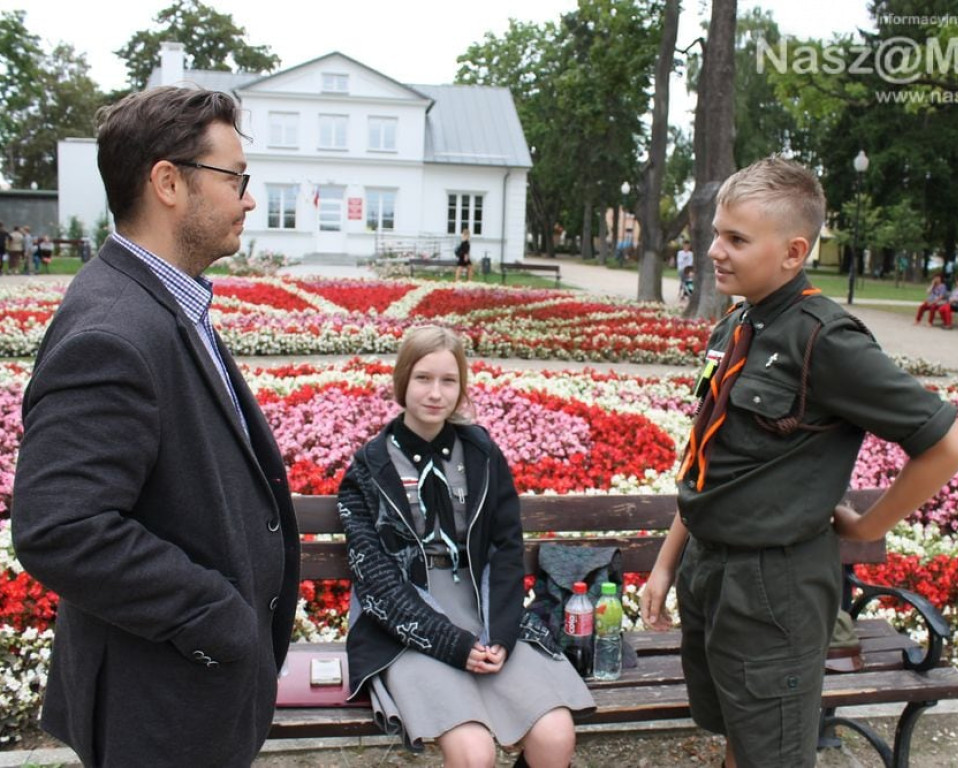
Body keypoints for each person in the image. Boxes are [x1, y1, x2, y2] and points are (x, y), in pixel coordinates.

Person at [639, 156, 958, 768]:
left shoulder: (827, 339)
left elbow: (949, 444)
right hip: (710, 572)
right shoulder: (736, 325)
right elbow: (708, 461)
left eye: (737, 239)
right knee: (741, 733)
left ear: (794, 252)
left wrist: (868, 526)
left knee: (775, 753)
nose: (714, 250)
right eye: (716, 233)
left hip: (773, 587)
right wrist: (666, 565)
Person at [12, 86, 300, 768]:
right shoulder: (114, 329)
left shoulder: (159, 301)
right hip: (160, 709)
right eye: (235, 178)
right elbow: (61, 527)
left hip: (185, 696)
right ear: (168, 183)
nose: (249, 200)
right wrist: (219, 620)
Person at [338, 325, 594, 767]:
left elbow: (507, 549)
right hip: (406, 627)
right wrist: (449, 642)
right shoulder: (369, 468)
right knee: (474, 752)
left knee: (555, 736)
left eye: (448, 380)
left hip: (486, 614)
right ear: (402, 380)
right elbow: (376, 580)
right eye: (423, 378)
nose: (436, 393)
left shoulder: (481, 454)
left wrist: (502, 636)